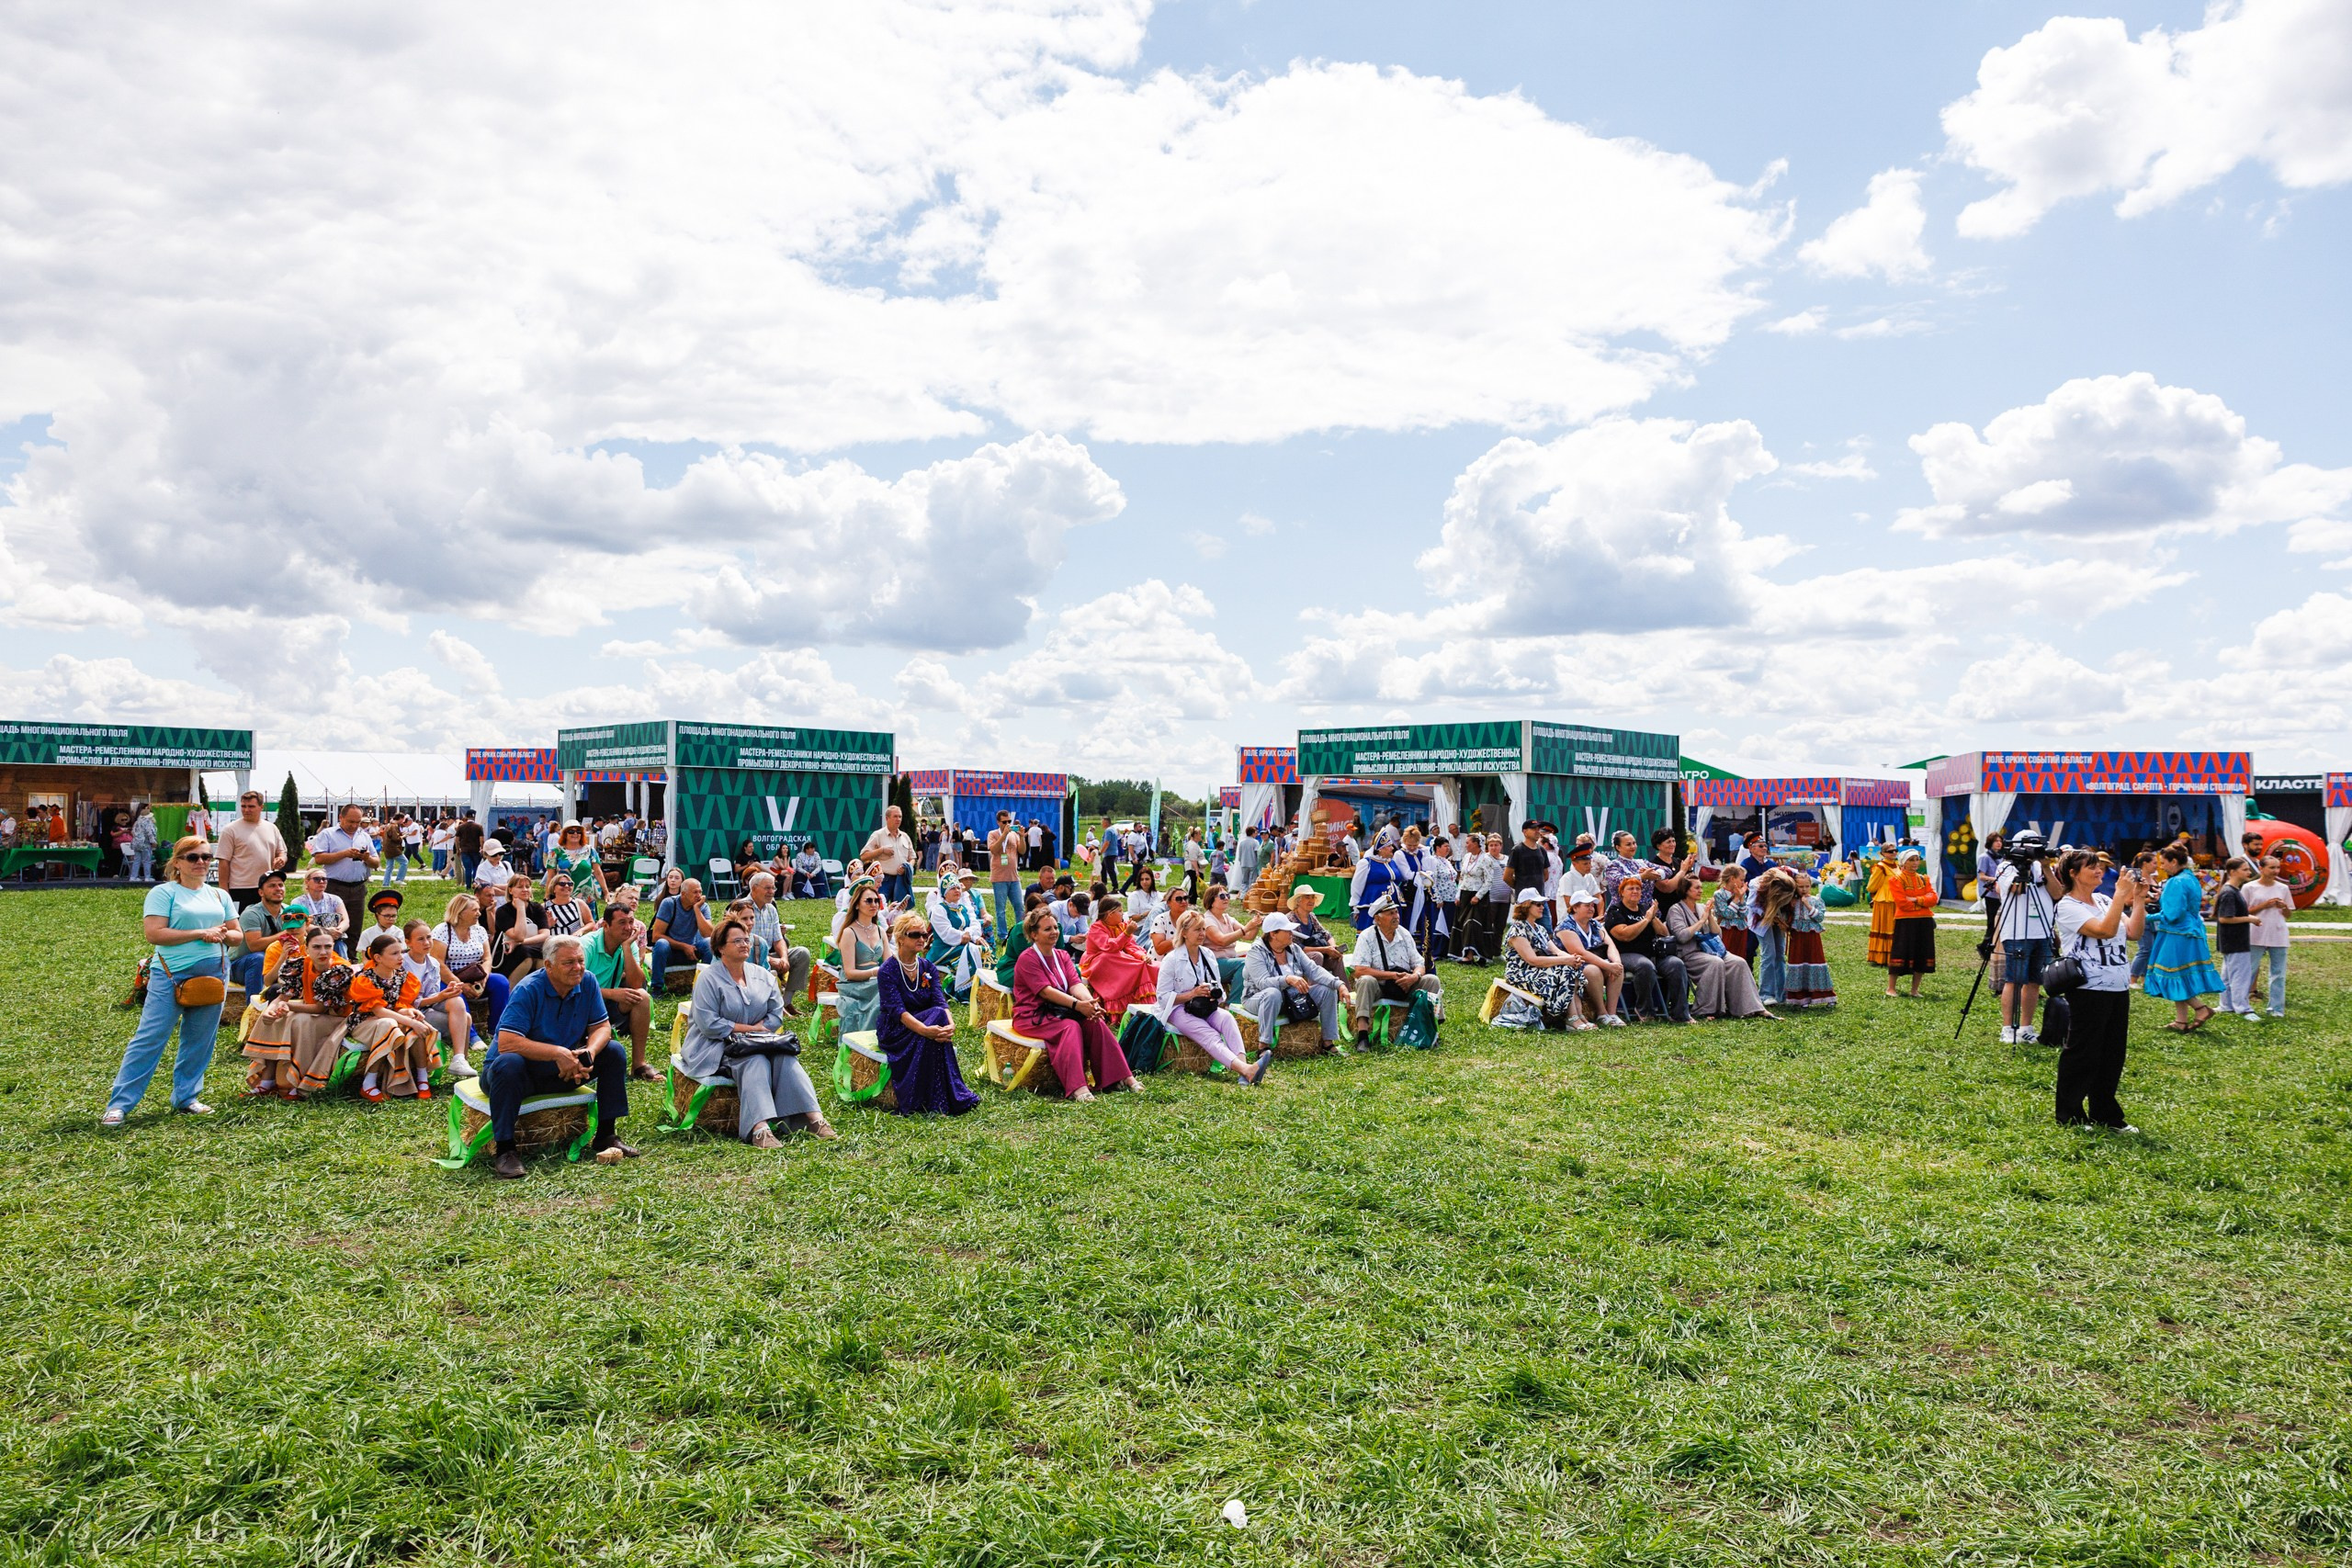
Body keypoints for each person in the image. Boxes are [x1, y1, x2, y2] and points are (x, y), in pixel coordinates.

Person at [101, 835, 240, 1124]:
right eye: (193, 857)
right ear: (177, 863)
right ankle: (120, 1104)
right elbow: (155, 934)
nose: (201, 862)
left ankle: (187, 1097)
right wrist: (200, 933)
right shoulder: (164, 893)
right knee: (150, 1037)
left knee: (200, 1039)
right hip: (171, 973)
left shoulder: (219, 895)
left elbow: (238, 936)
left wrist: (223, 934)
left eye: (206, 857)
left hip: (214, 973)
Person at [483, 934, 637, 1179]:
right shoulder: (528, 989)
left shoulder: (588, 981)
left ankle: (606, 1135)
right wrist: (558, 1053)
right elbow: (507, 1043)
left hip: (561, 1069)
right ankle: (505, 1151)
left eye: (580, 961)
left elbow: (602, 1028)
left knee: (613, 1052)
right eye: (569, 963)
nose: (577, 968)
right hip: (517, 1075)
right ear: (548, 966)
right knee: (508, 1063)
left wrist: (588, 1052)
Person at [684, 917, 835, 1147]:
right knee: (754, 1060)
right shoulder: (709, 979)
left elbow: (776, 1014)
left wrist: (756, 1033)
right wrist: (750, 1030)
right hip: (714, 1045)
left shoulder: (762, 975)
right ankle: (760, 1129)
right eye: (737, 941)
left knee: (784, 1057)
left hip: (760, 1039)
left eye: (746, 939)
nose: (745, 944)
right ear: (721, 947)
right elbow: (709, 1024)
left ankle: (812, 1118)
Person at [2052, 849, 2146, 1130]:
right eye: (2091, 867)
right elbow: (2104, 930)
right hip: (2089, 987)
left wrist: (2138, 899)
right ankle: (2069, 1114)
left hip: (2117, 986)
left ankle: (2106, 1115)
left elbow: (2134, 933)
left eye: (2101, 867)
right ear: (2073, 873)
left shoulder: (2105, 899)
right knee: (2083, 1053)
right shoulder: (2068, 906)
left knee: (2112, 1055)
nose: (2099, 872)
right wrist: (2121, 896)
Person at [1012, 908, 1136, 1100]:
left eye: (1055, 927)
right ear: (1034, 934)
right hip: (1034, 1016)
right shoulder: (1027, 958)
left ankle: (1122, 1077)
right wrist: (1078, 1006)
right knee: (1070, 1027)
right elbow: (1045, 991)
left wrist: (1091, 1004)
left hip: (1061, 1011)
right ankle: (1078, 1088)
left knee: (1095, 1022)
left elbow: (1075, 983)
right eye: (1047, 929)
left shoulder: (1061, 955)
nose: (1054, 932)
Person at [875, 912, 980, 1116]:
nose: (922, 939)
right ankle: (940, 1098)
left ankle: (933, 1100)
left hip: (928, 1021)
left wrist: (951, 1025)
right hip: (896, 1030)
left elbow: (940, 1001)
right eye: (916, 935)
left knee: (939, 1017)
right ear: (901, 938)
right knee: (935, 1021)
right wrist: (925, 1030)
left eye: (925, 934)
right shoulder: (887, 970)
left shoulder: (927, 966)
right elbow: (898, 1011)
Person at [240, 923, 356, 1100]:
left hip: (339, 1019)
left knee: (298, 1019)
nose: (323, 952)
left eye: (328, 947)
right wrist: (272, 1009)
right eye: (317, 947)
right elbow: (283, 996)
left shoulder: (340, 970)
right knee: (271, 1018)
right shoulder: (302, 964)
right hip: (315, 1014)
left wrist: (287, 1007)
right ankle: (267, 1080)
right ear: (306, 948)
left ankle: (296, 1081)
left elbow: (320, 1008)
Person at [347, 931, 441, 1101]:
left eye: (401, 952)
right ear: (378, 958)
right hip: (365, 1023)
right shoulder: (364, 978)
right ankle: (368, 1084)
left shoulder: (402, 977)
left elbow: (398, 1007)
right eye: (395, 953)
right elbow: (379, 1011)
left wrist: (410, 1012)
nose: (401, 957)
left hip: (390, 1021)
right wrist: (409, 1021)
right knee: (390, 1024)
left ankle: (422, 1079)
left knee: (414, 1025)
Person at [1661, 879, 1775, 1020]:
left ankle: (1751, 1007)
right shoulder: (1675, 910)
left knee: (1739, 962)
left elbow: (1718, 934)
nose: (1701, 890)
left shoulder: (1702, 907)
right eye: (1696, 888)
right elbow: (1682, 936)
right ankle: (1707, 1009)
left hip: (1711, 950)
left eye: (1701, 887)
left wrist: (1709, 916)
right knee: (1715, 962)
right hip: (1689, 954)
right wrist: (1702, 921)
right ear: (1685, 890)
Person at [1232, 913, 1330, 1066]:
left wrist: (1338, 984)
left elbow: (1314, 970)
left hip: (1291, 997)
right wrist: (1287, 979)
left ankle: (1328, 1043)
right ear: (1273, 934)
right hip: (1257, 997)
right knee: (1272, 993)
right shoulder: (1256, 952)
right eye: (1287, 931)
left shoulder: (1294, 949)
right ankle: (1263, 1046)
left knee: (1327, 990)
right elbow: (1263, 983)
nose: (1291, 934)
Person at [1347, 893, 1443, 1047]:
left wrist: (1415, 976)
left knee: (1432, 980)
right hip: (1380, 987)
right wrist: (1392, 976)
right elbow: (1359, 970)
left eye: (1396, 912)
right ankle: (1363, 1036)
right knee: (1365, 981)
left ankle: (1433, 1029)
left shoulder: (1404, 934)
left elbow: (1419, 963)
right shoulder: (1367, 937)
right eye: (1390, 913)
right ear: (1377, 919)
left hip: (1405, 985)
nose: (1396, 916)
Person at [2143, 843, 2221, 1030]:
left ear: (2174, 861)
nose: (2161, 866)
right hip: (2190, 930)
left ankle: (2201, 1008)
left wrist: (2146, 917)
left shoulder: (2175, 882)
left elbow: (2172, 914)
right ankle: (2181, 1021)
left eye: (2164, 862)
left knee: (2169, 974)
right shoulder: (2190, 877)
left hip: (2177, 933)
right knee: (2179, 975)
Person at [578, 899, 655, 1080]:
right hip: (582, 1007)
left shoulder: (628, 944)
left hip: (606, 1005)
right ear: (605, 925)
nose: (628, 928)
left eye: (631, 922)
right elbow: (575, 988)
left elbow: (637, 983)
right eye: (622, 923)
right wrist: (612, 993)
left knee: (642, 996)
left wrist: (627, 948)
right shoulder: (586, 946)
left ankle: (639, 1065)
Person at [1991, 842, 2056, 1043]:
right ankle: (2008, 1028)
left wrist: (2045, 867)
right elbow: (2017, 889)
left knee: (2035, 980)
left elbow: (2057, 893)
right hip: (2018, 931)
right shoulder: (2006, 867)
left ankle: (2026, 1027)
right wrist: (2023, 866)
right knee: (2015, 979)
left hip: (2042, 931)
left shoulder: (2042, 867)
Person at [1497, 894, 1590, 1030]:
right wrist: (1565, 960)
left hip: (1537, 970)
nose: (1543, 907)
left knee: (1572, 969)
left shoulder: (1539, 929)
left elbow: (1556, 951)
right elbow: (1532, 960)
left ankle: (1579, 1015)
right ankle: (1571, 1018)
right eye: (1538, 904)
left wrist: (1573, 959)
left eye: (1543, 904)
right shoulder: (1517, 929)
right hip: (1521, 973)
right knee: (1565, 971)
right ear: (1526, 906)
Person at [1603, 877, 1688, 1022]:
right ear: (1622, 892)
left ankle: (1679, 1013)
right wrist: (1645, 920)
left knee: (1676, 964)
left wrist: (1653, 917)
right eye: (1630, 889)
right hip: (1624, 954)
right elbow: (1624, 935)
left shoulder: (1644, 909)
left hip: (1651, 953)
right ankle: (1645, 1011)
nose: (1635, 891)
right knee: (1645, 966)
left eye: (1638, 889)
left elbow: (1664, 933)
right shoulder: (1615, 910)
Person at [400, 918, 476, 1077]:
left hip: (427, 1009)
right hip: (409, 1013)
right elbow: (406, 1002)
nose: (427, 942)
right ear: (408, 943)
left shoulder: (433, 963)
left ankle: (459, 1060)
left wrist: (446, 993)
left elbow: (432, 996)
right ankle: (460, 1060)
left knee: (457, 1001)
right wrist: (439, 997)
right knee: (466, 1018)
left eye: (428, 937)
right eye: (420, 939)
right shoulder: (401, 964)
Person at [430, 891, 510, 1039]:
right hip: (447, 978)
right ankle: (471, 1035)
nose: (479, 913)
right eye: (474, 910)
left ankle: (497, 1029)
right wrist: (460, 984)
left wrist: (484, 979)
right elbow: (438, 963)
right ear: (460, 912)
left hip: (475, 975)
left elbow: (487, 958)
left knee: (501, 982)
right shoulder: (442, 930)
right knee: (456, 992)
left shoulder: (479, 931)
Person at [739, 871, 813, 1009]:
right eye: (767, 888)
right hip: (748, 959)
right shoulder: (741, 908)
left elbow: (778, 939)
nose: (772, 891)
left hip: (766, 956)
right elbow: (742, 947)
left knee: (802, 953)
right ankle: (769, 1005)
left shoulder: (771, 909)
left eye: (773, 888)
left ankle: (786, 1002)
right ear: (754, 888)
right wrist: (771, 960)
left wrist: (784, 958)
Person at [1553, 891, 1627, 1025]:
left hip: (1596, 961)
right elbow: (1580, 953)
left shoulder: (1595, 924)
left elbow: (1610, 944)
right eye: (1587, 905)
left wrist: (1616, 963)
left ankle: (1612, 1013)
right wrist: (1608, 966)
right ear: (1575, 908)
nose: (1592, 908)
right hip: (1574, 966)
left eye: (1593, 905)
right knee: (1593, 970)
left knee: (1618, 969)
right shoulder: (1565, 927)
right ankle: (1601, 1013)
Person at [1078, 894, 1159, 1016]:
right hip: (1097, 963)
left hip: (1118, 961)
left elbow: (1130, 946)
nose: (1123, 914)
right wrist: (1126, 933)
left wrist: (1142, 956)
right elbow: (1109, 947)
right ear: (1109, 914)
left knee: (1145, 964)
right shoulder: (1096, 927)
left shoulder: (1121, 926)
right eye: (1120, 911)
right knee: (1109, 956)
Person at [309, 802, 379, 937]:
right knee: (332, 926)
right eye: (350, 821)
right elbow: (319, 858)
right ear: (341, 818)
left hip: (358, 888)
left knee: (355, 926)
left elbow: (376, 863)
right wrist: (344, 854)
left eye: (357, 822)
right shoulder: (328, 834)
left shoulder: (364, 836)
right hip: (334, 886)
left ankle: (351, 957)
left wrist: (366, 858)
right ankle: (333, 955)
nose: (354, 825)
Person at [922, 871, 990, 1000]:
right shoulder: (939, 909)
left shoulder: (962, 907)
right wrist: (965, 936)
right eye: (952, 888)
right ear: (945, 892)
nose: (957, 890)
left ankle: (986, 987)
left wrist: (973, 936)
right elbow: (947, 933)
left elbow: (974, 923)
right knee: (971, 951)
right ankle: (965, 991)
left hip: (961, 944)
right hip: (944, 949)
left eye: (958, 887)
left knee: (985, 949)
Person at [215, 790, 288, 911]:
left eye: (251, 806)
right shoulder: (230, 830)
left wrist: (281, 859)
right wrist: (224, 891)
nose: (246, 810)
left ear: (261, 807)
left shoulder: (271, 828)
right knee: (242, 926)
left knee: (268, 925)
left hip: (266, 887)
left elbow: (282, 851)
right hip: (240, 888)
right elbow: (223, 862)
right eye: (243, 806)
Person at [833, 878, 888, 1036]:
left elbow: (889, 963)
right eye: (869, 901)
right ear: (857, 905)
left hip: (875, 981)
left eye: (876, 901)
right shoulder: (849, 932)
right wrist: (875, 972)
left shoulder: (880, 931)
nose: (874, 905)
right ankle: (872, 1038)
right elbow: (849, 973)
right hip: (854, 985)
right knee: (882, 990)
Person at [2243, 854, 2294, 1021]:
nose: (2275, 871)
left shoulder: (2283, 888)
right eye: (2272, 868)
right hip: (2255, 934)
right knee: (2249, 970)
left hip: (2278, 934)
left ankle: (2276, 1008)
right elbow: (2244, 911)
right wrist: (2265, 904)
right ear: (2261, 868)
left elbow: (2288, 914)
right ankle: (2243, 1005)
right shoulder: (2250, 887)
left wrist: (2284, 907)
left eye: (2277, 868)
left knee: (2278, 974)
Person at [1883, 849, 1939, 997]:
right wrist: (1923, 901)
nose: (1915, 862)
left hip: (1924, 921)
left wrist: (1915, 899)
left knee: (1922, 952)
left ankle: (1914, 990)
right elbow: (1902, 903)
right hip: (1905, 921)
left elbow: (1934, 899)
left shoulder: (1923, 879)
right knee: (1901, 951)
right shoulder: (1896, 880)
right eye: (1911, 860)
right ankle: (1891, 988)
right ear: (1903, 863)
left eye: (1917, 859)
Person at [647, 876, 714, 993]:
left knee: (709, 943)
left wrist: (697, 909)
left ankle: (705, 987)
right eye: (695, 892)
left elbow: (708, 934)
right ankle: (657, 988)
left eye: (700, 892)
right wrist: (683, 946)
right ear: (683, 894)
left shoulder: (703, 906)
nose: (699, 895)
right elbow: (656, 936)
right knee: (662, 943)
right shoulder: (669, 903)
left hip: (691, 953)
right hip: (669, 953)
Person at [233, 867, 292, 998]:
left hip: (273, 963)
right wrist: (285, 934)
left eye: (281, 885)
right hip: (241, 964)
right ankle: (254, 1008)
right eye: (272, 886)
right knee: (259, 958)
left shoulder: (289, 911)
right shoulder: (252, 913)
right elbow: (254, 946)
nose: (278, 888)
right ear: (261, 892)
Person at [1193, 885, 1260, 998]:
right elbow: (1221, 941)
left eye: (1228, 895)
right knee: (1244, 964)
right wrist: (1247, 928)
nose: (1227, 898)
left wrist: (1257, 924)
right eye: (1222, 896)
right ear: (1211, 901)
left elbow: (1248, 936)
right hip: (1213, 963)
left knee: (1255, 959)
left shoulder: (1228, 918)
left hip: (1228, 961)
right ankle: (1233, 1003)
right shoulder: (1207, 920)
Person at [1784, 873, 1838, 1008]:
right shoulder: (1791, 901)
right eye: (1800, 886)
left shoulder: (1816, 900)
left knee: (1815, 961)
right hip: (1797, 935)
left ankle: (1824, 995)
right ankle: (1801, 997)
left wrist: (1807, 905)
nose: (1804, 889)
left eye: (1807, 886)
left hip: (1812, 936)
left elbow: (1819, 918)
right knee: (1798, 961)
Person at [546, 822, 609, 910]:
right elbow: (551, 876)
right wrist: (547, 895)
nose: (575, 834)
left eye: (578, 831)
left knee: (589, 922)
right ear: (565, 834)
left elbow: (598, 873)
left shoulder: (590, 850)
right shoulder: (555, 852)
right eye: (571, 831)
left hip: (586, 896)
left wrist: (606, 892)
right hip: (563, 895)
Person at [289, 866, 351, 955]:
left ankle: (344, 967)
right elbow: (300, 924)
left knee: (339, 945)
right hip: (309, 939)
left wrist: (338, 931)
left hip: (334, 939)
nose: (321, 882)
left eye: (324, 879)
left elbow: (346, 921)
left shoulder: (335, 899)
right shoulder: (298, 902)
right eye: (317, 879)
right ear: (307, 882)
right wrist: (326, 931)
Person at [862, 804, 916, 907]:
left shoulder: (905, 836)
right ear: (887, 818)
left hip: (902, 879)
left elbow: (912, 858)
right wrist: (881, 850)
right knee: (880, 907)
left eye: (900, 816)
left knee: (900, 909)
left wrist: (908, 867)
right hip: (884, 880)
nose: (898, 819)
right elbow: (864, 855)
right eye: (895, 816)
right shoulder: (878, 835)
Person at [1865, 842, 1900, 972]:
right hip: (1884, 901)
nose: (1894, 853)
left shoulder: (1897, 866)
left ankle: (1893, 955)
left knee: (1894, 928)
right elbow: (1871, 886)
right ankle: (1882, 957)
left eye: (1895, 850)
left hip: (1895, 900)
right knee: (1885, 927)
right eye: (1890, 851)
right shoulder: (1880, 867)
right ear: (1883, 853)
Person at [1712, 865, 1753, 967]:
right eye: (1741, 880)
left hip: (1741, 930)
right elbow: (1728, 914)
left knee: (1740, 957)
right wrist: (1736, 898)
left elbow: (1743, 914)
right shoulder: (1719, 894)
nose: (1743, 882)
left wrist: (1742, 898)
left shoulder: (1742, 893)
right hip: (1727, 930)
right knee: (1727, 957)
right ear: (1732, 879)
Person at [126, 805, 160, 882]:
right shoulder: (148, 822)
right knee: (147, 861)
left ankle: (133, 877)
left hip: (136, 843)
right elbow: (149, 833)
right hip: (145, 843)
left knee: (136, 861)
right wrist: (153, 842)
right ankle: (147, 877)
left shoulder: (137, 822)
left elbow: (133, 832)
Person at [453, 812, 485, 886]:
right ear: (474, 817)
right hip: (475, 850)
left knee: (467, 868)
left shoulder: (461, 827)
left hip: (465, 850)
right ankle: (475, 884)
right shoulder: (479, 826)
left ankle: (468, 885)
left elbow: (457, 840)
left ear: (466, 816)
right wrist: (482, 848)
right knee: (476, 867)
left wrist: (458, 849)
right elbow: (481, 840)